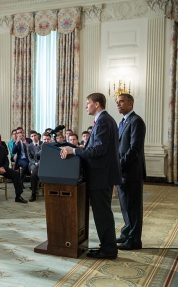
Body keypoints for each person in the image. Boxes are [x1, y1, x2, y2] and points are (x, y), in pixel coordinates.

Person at [60, 93, 121, 259]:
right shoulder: (105, 120)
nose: (86, 106)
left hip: (101, 175)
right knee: (103, 213)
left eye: (88, 103)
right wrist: (82, 148)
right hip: (102, 174)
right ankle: (107, 245)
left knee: (102, 214)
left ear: (96, 104)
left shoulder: (103, 121)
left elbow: (99, 150)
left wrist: (74, 150)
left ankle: (109, 250)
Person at [116, 93, 146, 250]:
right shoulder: (123, 122)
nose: (118, 104)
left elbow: (135, 149)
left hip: (132, 172)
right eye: (117, 102)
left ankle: (134, 240)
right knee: (125, 206)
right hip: (122, 172)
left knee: (133, 207)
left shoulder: (136, 121)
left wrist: (119, 164)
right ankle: (127, 234)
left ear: (131, 103)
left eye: (121, 101)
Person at [0, 133, 27, 203]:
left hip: (3, 168)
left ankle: (18, 196)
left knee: (15, 174)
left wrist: (3, 168)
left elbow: (6, 161)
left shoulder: (2, 148)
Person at [27, 131, 44, 202]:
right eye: (32, 136)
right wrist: (35, 162)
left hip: (43, 163)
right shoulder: (29, 146)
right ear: (30, 138)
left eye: (35, 135)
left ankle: (40, 185)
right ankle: (33, 193)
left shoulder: (43, 144)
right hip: (33, 163)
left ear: (38, 136)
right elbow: (29, 157)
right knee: (34, 174)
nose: (34, 137)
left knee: (40, 172)